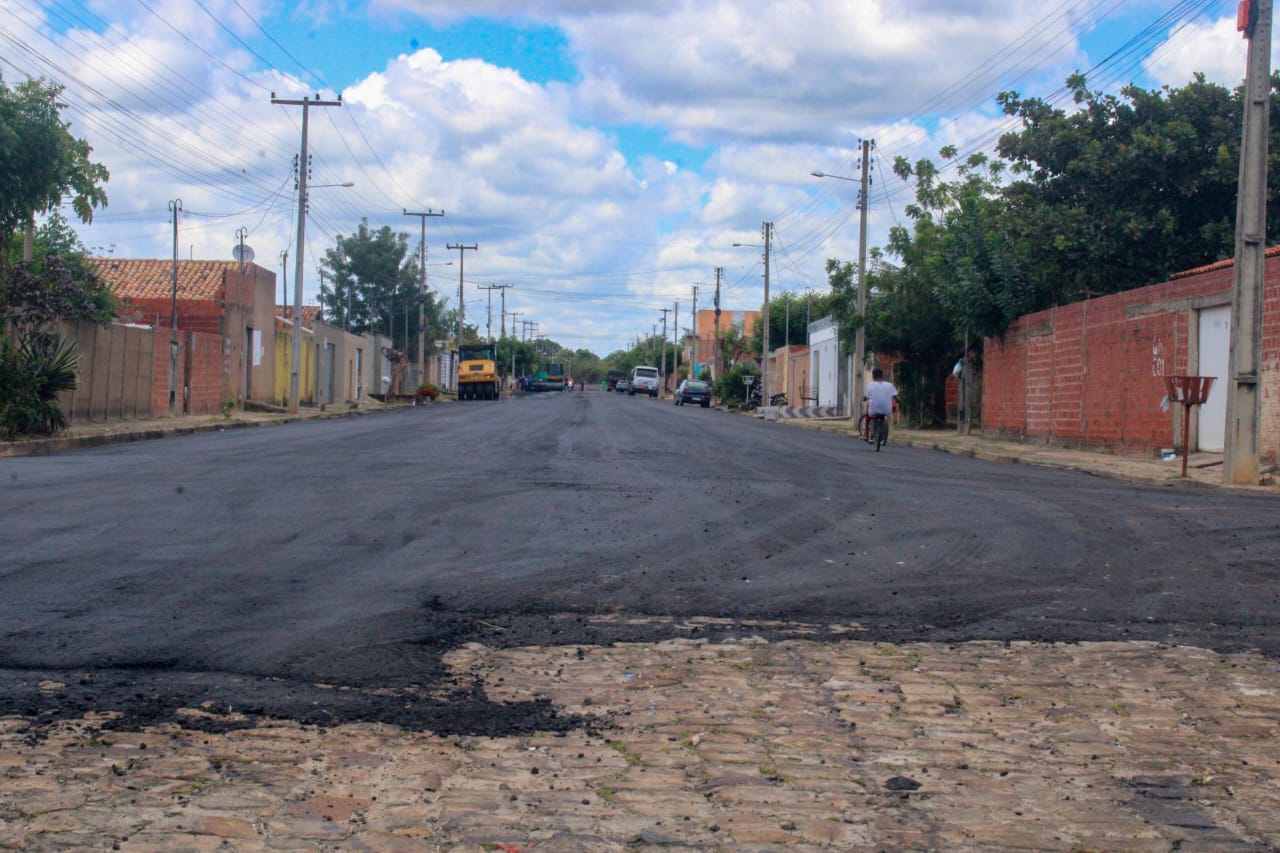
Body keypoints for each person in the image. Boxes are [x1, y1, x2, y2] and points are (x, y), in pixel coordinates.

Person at [863, 367, 899, 445]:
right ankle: (883, 431)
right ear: (882, 376)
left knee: (868, 411)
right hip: (887, 410)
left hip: (874, 410)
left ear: (873, 376)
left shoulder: (870, 385)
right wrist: (900, 403)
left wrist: (864, 398)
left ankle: (866, 434)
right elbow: (896, 397)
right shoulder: (889, 385)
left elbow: (865, 398)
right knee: (883, 414)